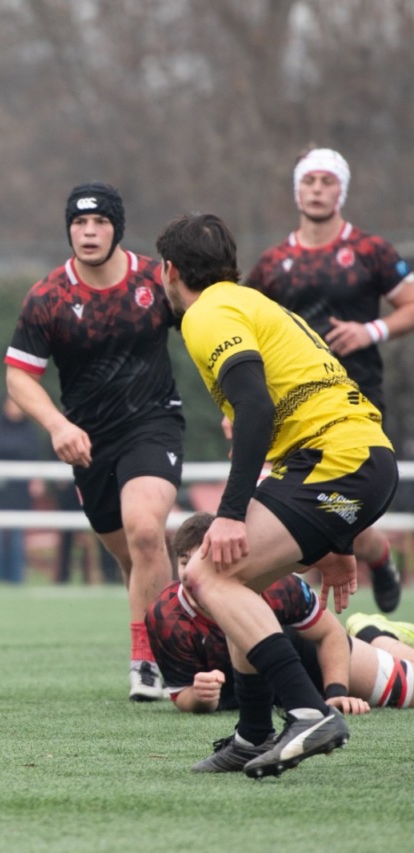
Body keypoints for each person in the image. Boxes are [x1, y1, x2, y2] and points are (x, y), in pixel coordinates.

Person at [156, 211, 398, 778]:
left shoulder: (208, 312)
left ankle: (309, 712)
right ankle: (253, 734)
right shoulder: (252, 305)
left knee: (208, 575)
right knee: (239, 581)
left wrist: (231, 513)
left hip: (336, 462)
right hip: (352, 460)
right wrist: (333, 538)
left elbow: (257, 409)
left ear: (169, 271)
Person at [4, 182, 182, 701]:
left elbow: (208, 333)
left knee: (147, 531)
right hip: (87, 443)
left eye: (99, 222)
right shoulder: (48, 297)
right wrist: (58, 426)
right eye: (79, 224)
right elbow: (18, 376)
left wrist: (233, 403)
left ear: (116, 228)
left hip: (154, 424)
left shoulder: (156, 278)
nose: (88, 232)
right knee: (133, 559)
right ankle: (191, 635)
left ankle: (148, 661)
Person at [245, 147, 414, 613]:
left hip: (356, 398)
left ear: (342, 190)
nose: (318, 190)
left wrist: (370, 330)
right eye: (310, 181)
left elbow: (411, 303)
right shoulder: (274, 262)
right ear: (296, 189)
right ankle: (360, 568)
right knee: (303, 512)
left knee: (343, 508)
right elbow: (246, 330)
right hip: (293, 405)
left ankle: (371, 555)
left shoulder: (368, 250)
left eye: (328, 181)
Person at [148, 513, 414, 742]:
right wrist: (200, 697)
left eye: (199, 562)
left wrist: (336, 693)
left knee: (408, 689)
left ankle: (374, 633)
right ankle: (374, 636)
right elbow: (181, 694)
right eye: (184, 562)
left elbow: (330, 634)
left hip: (312, 661)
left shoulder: (277, 584)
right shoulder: (166, 615)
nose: (190, 574)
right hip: (274, 695)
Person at [0, 395, 45, 583]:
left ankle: (15, 579)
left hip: (20, 493)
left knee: (16, 538)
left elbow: (33, 457)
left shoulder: (30, 433)